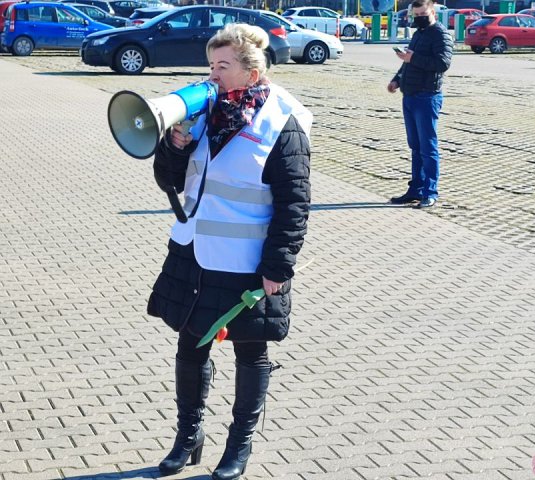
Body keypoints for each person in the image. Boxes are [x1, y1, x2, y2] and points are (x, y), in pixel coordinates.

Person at [147, 23, 312, 479]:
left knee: (250, 354)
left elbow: (294, 202)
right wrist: (175, 147)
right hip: (195, 253)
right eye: (211, 64)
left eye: (223, 65)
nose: (213, 73)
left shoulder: (282, 121)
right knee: (190, 347)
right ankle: (188, 437)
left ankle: (238, 447)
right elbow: (170, 181)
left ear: (251, 72)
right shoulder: (204, 112)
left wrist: (279, 265)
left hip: (248, 264)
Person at [387, 0, 453, 209]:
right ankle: (415, 189)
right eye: (416, 15)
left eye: (422, 14)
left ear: (432, 11)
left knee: (428, 147)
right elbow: (408, 61)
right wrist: (397, 80)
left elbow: (442, 64)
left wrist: (413, 58)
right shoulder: (419, 33)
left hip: (427, 96)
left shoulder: (440, 34)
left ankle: (430, 192)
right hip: (410, 95)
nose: (419, 18)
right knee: (415, 146)